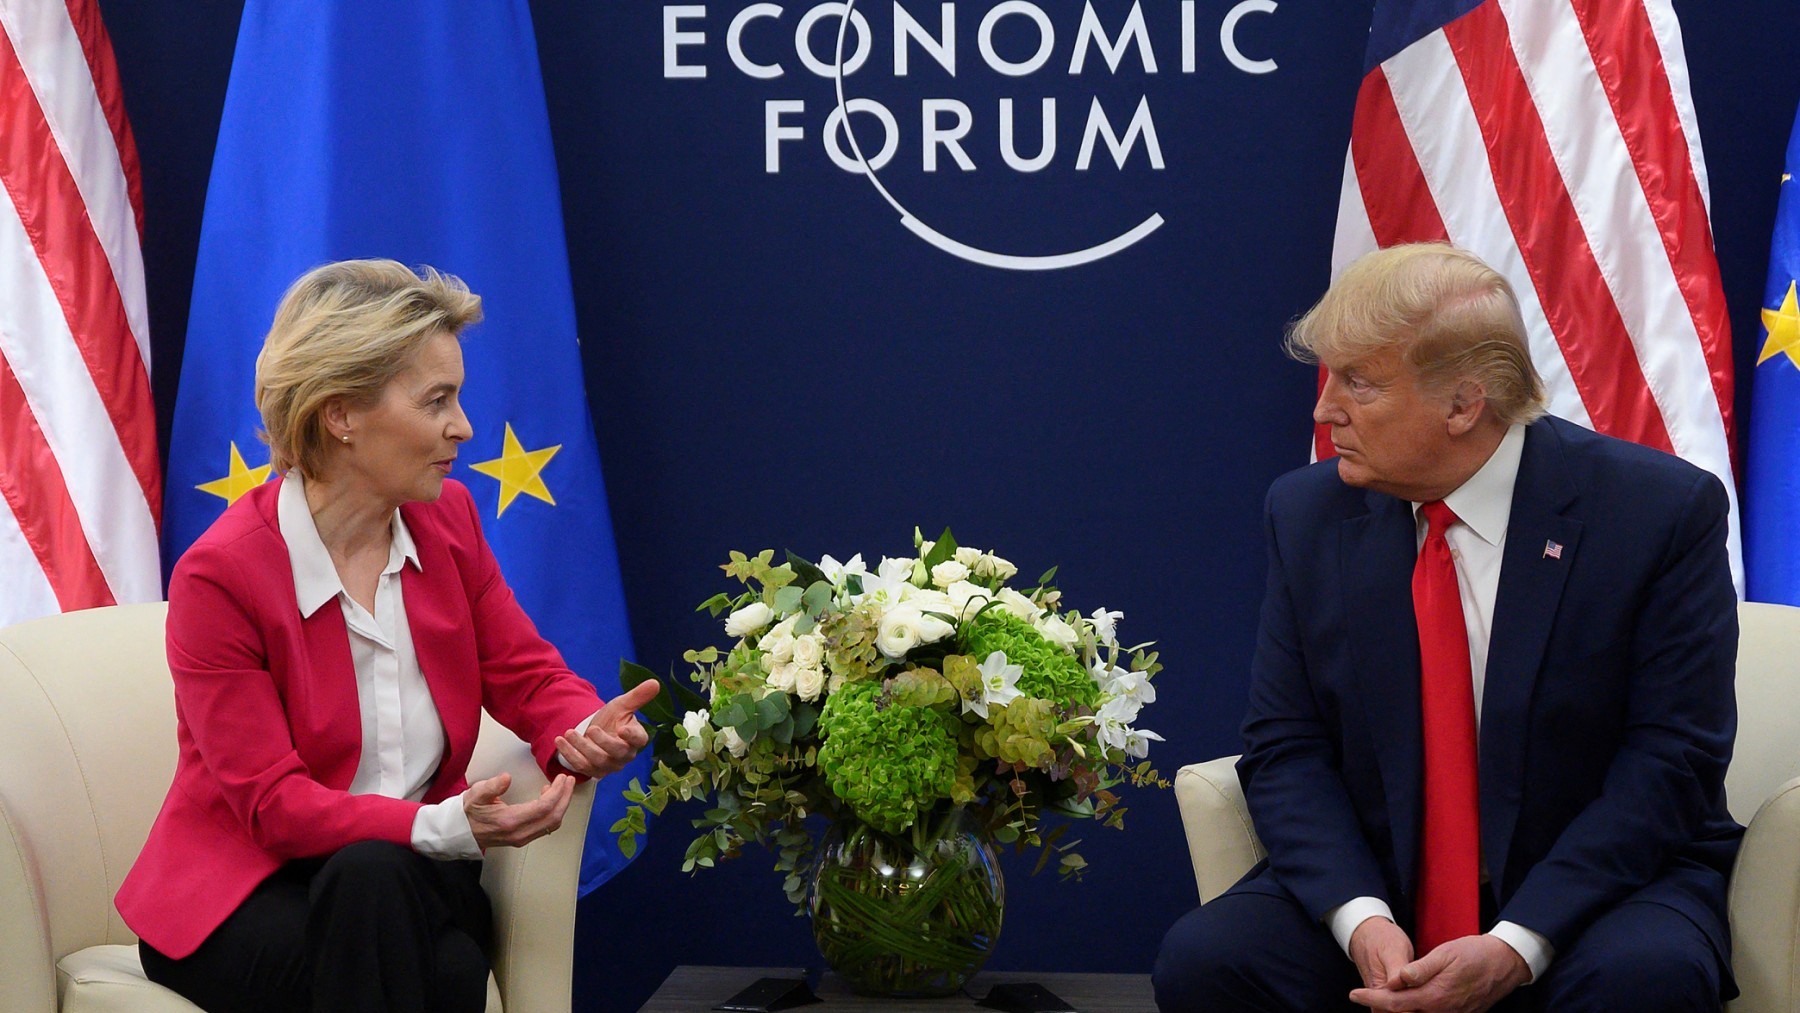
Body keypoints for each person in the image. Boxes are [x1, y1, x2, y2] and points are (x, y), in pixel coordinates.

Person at [1154, 243, 1741, 1012]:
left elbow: (1673, 762)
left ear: (1466, 404)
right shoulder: (1307, 515)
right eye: (1330, 377)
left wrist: (1518, 941)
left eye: (1359, 382)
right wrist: (1360, 917)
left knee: (1644, 980)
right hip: (1385, 878)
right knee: (1209, 960)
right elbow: (1285, 746)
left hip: (1598, 886)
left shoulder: (1657, 514)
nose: (1324, 409)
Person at [116, 260, 658, 1013]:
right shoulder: (221, 576)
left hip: (413, 873)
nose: (463, 426)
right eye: (438, 400)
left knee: (377, 879)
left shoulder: (451, 523)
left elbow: (527, 674)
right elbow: (273, 804)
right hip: (251, 888)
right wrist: (443, 823)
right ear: (341, 413)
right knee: (444, 969)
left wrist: (576, 727)